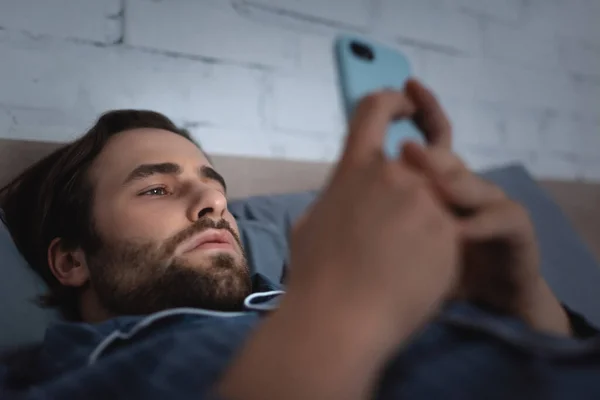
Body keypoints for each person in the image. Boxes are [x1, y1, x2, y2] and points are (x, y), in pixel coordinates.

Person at [0, 79, 598, 399]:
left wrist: (531, 308)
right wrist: (343, 308)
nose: (213, 203)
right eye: (155, 190)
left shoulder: (303, 300)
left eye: (215, 187)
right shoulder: (74, 373)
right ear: (72, 259)